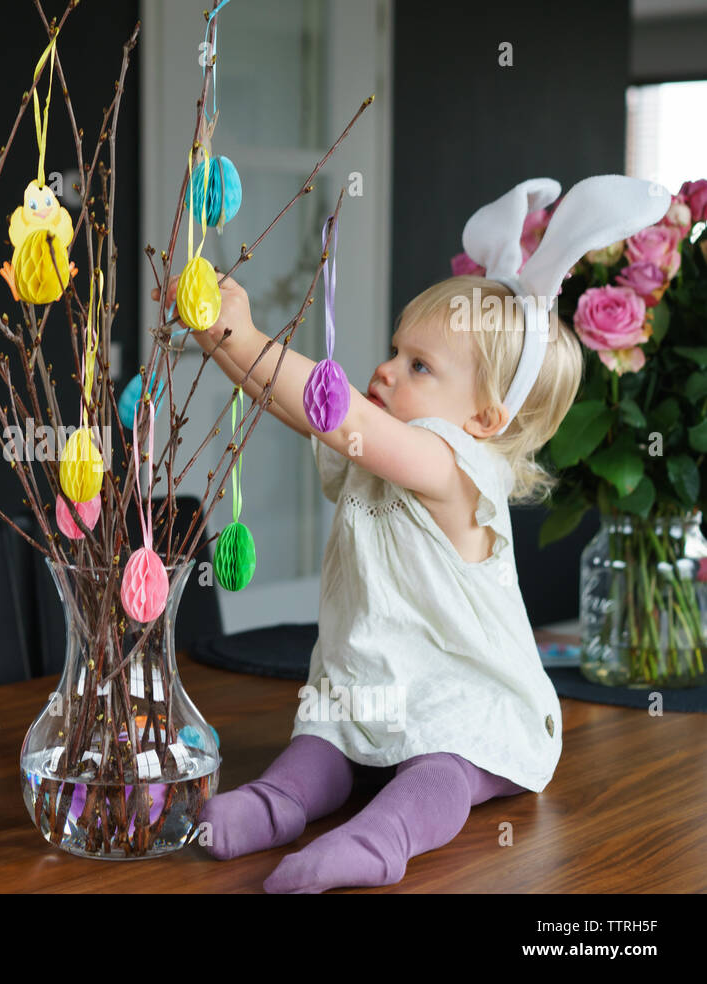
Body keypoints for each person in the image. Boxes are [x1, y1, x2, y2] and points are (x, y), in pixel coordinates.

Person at [153, 174, 670, 892]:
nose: (386, 371)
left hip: (467, 704)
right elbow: (300, 406)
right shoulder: (392, 445)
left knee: (440, 772)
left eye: (419, 366)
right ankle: (277, 804)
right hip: (372, 686)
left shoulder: (454, 466)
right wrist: (221, 341)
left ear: (485, 421)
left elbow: (339, 416)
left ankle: (381, 838)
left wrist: (244, 334)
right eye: (397, 351)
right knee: (321, 745)